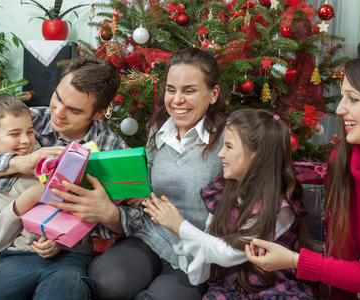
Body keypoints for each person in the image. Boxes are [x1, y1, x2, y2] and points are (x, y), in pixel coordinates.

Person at [48, 47, 230, 299]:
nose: (177, 100)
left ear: (213, 94)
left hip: (196, 248)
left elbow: (243, 197)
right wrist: (137, 194)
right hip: (151, 236)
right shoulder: (158, 131)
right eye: (171, 89)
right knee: (106, 282)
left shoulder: (229, 138)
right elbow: (144, 188)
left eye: (189, 90)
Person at [0, 55, 127, 294]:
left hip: (67, 247)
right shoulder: (31, 119)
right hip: (7, 226)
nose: (58, 112)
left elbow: (126, 218)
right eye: (58, 98)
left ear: (98, 113)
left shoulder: (113, 149)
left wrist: (75, 229)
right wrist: (21, 162)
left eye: (74, 110)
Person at [245, 53, 360, 299]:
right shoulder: (343, 159)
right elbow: (343, 248)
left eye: (353, 99)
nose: (340, 109)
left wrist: (295, 260)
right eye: (342, 97)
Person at [142, 109, 317, 299]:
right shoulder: (223, 190)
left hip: (271, 287)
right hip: (230, 286)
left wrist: (179, 226)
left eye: (229, 147)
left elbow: (230, 252)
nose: (220, 154)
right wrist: (173, 226)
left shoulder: (279, 208)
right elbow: (209, 240)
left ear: (257, 154)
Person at [0, 95, 95, 299]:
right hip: (16, 259)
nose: (25, 140)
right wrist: (25, 201)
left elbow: (85, 211)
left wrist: (61, 240)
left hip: (70, 258)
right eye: (14, 133)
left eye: (30, 131)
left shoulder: (53, 161)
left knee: (63, 290)